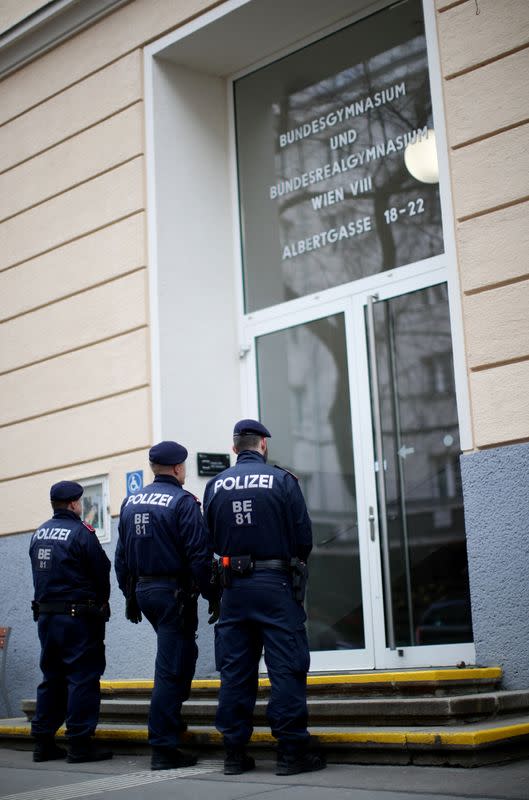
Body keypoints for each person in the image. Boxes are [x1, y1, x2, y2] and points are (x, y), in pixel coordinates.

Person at [203, 419, 326, 776]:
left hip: (233, 591)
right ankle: (291, 754)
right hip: (275, 585)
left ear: (234, 448)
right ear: (263, 445)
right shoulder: (283, 480)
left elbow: (209, 540)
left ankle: (233, 755)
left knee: (235, 672)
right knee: (285, 667)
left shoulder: (214, 486)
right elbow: (303, 537)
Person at [115, 440, 214, 770]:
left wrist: (130, 594)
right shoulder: (183, 502)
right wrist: (213, 594)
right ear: (178, 468)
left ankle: (171, 721)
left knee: (184, 656)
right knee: (171, 668)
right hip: (174, 594)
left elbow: (121, 557)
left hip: (146, 592)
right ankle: (163, 747)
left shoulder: (131, 502)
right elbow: (199, 556)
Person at [29, 481, 112, 764]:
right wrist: (102, 602)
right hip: (77, 618)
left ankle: (42, 742)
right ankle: (79, 744)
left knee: (52, 677)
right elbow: (101, 570)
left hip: (46, 617)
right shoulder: (81, 532)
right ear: (75, 504)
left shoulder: (39, 533)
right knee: (82, 678)